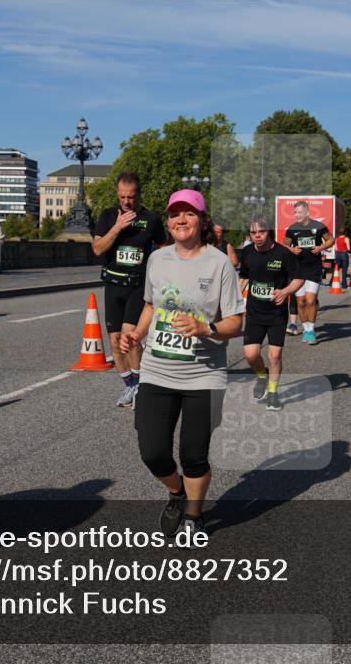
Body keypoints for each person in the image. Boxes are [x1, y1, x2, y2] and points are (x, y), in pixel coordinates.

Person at [120, 189, 244, 541]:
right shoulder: (158, 260)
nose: (181, 219)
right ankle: (176, 493)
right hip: (158, 370)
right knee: (153, 451)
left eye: (189, 213)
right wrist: (136, 335)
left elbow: (237, 321)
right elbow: (150, 306)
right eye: (175, 214)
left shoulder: (219, 262)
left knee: (193, 454)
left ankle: (193, 513)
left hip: (204, 375)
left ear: (203, 220)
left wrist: (206, 328)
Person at [93, 172, 165, 409]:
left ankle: (141, 385)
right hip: (113, 284)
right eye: (122, 197)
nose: (126, 201)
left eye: (131, 197)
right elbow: (98, 249)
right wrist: (116, 228)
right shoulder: (107, 216)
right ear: (117, 194)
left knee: (130, 339)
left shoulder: (151, 219)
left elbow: (164, 248)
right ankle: (130, 386)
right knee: (114, 342)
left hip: (137, 286)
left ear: (139, 194)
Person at [239, 218, 303, 410]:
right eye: (253, 233)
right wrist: (233, 297)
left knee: (275, 355)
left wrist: (285, 292)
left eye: (261, 232)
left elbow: (299, 279)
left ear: (270, 232)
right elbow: (243, 276)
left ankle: (273, 393)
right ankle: (261, 375)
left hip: (276, 313)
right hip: (254, 312)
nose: (257, 236)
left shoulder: (283, 253)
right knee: (251, 355)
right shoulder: (248, 252)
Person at [284, 201, 334, 345]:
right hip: (297, 269)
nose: (296, 215)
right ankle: (305, 329)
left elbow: (331, 239)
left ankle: (311, 330)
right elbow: (284, 244)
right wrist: (291, 250)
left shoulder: (318, 227)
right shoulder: (292, 229)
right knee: (300, 302)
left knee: (311, 300)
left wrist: (321, 247)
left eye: (299, 212)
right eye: (295, 213)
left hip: (314, 268)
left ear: (307, 212)